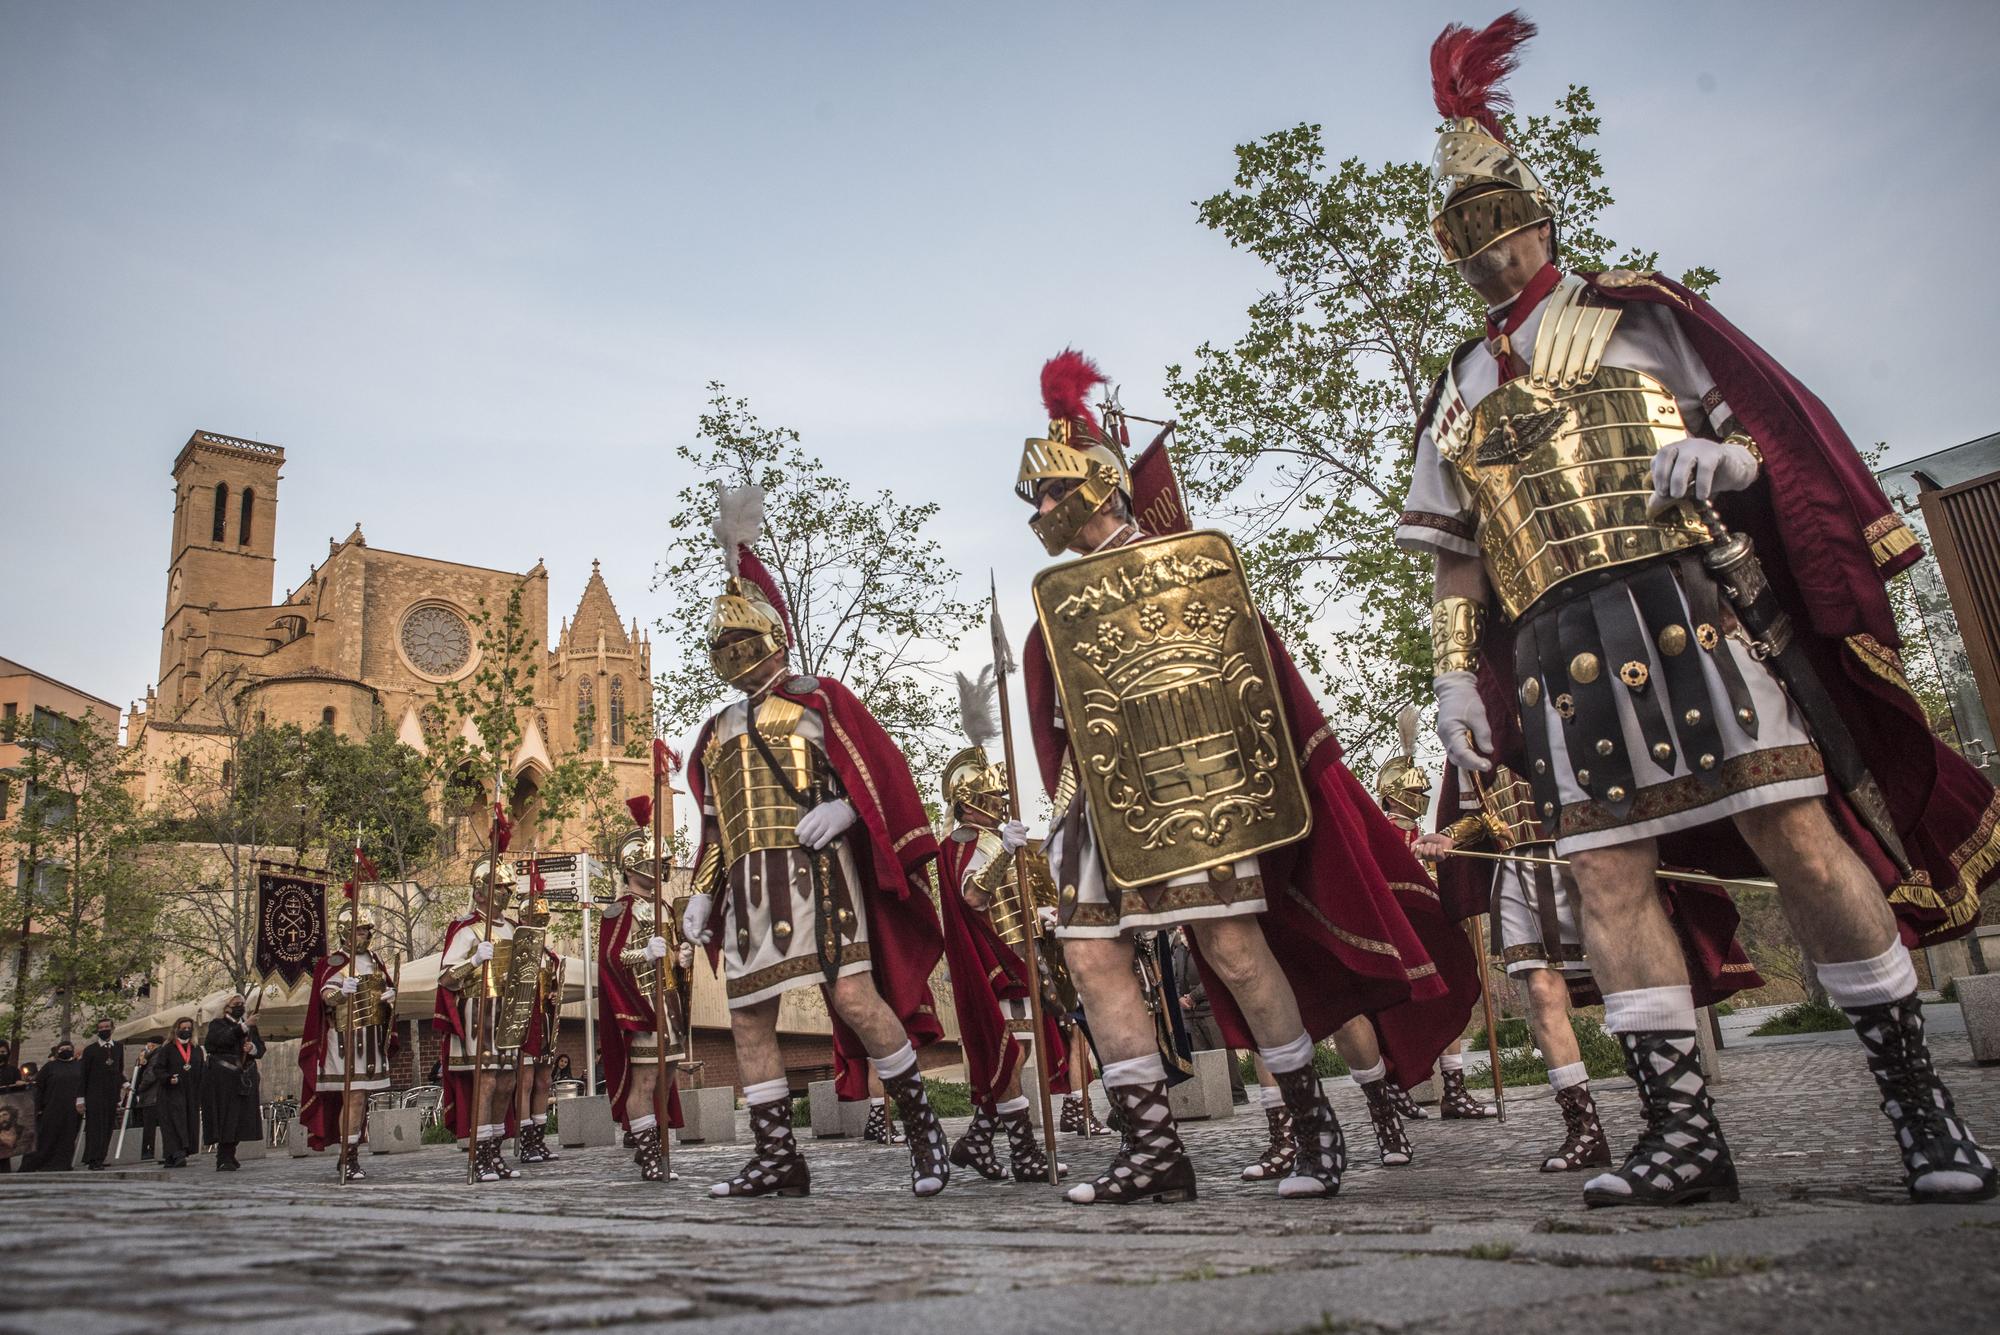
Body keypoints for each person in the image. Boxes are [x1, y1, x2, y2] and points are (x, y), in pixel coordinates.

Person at [1400, 13, 1996, 1206]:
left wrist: (1734, 470)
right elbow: (1456, 557)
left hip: (1686, 605)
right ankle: (1680, 1135)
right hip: (1556, 649)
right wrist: (1454, 672)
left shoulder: (1640, 316)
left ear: (1535, 216)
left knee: (1796, 833)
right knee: (1607, 875)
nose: (1480, 249)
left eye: (1494, 221)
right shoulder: (1454, 389)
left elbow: (1765, 439)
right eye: (1457, 231)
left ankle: (1916, 1114)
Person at [1015, 351, 1480, 1204]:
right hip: (1100, 813)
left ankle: (1314, 1128)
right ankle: (1156, 1150)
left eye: (1049, 490)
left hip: (1201, 793)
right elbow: (1065, 730)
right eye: (1032, 498)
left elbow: (1258, 679)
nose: (1038, 509)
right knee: (1089, 957)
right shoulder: (1055, 608)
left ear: (1101, 481)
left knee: (1234, 949)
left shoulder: (1189, 564)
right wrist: (1058, 824)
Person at [681, 484, 951, 1200]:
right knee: (746, 1020)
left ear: (772, 635)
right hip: (746, 885)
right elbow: (717, 824)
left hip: (816, 873)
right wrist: (700, 891)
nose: (735, 651)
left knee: (857, 999)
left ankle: (926, 1135)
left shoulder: (818, 698)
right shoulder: (714, 734)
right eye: (724, 642)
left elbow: (880, 777)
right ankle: (777, 1156)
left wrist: (849, 814)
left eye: (745, 638)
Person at [935, 671, 1069, 1183]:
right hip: (996, 961)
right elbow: (973, 896)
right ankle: (1024, 1148)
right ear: (970, 802)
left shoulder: (994, 838)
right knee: (1008, 1052)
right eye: (991, 800)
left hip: (1019, 956)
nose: (999, 804)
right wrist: (1003, 851)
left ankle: (976, 1139)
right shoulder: (978, 842)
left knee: (1018, 1050)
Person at [599, 825, 691, 1182]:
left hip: (668, 1005)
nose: (658, 869)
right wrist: (643, 952)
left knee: (666, 1078)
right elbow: (610, 958)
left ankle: (651, 1147)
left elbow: (668, 954)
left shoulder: (665, 908)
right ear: (634, 865)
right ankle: (652, 1153)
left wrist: (678, 957)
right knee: (646, 1079)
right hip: (641, 1005)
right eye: (652, 862)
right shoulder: (620, 910)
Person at [436, 861, 524, 1183]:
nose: (505, 892)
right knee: (486, 1084)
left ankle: (496, 1152)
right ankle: (480, 1157)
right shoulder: (467, 930)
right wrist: (473, 961)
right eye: (499, 887)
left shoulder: (514, 930)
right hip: (479, 1013)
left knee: (507, 1083)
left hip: (508, 1012)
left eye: (507, 887)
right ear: (481, 891)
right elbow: (445, 978)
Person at [299, 904, 397, 1180]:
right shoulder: (333, 962)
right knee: (352, 1097)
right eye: (360, 929)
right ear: (345, 931)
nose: (366, 933)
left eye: (367, 929)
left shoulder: (375, 960)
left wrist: (390, 997)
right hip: (343, 1041)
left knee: (361, 1098)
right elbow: (325, 997)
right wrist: (341, 991)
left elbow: (383, 990)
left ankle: (351, 1151)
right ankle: (347, 1156)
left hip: (370, 1038)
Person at [511, 882, 565, 1167]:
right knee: (527, 1081)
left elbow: (553, 985)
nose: (539, 924)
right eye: (534, 920)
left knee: (545, 1080)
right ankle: (525, 1137)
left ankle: (539, 1139)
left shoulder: (549, 955)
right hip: (524, 1023)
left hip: (544, 1021)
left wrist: (555, 994)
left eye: (542, 920)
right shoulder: (516, 950)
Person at [203, 996, 265, 1171]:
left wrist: (252, 1048)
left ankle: (231, 1152)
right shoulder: (218, 1024)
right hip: (224, 1079)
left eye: (242, 1005)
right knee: (226, 1117)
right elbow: (217, 1042)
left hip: (244, 1077)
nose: (240, 1008)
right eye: (236, 1005)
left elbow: (261, 1048)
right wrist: (243, 1027)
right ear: (226, 1008)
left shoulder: (250, 1026)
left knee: (240, 1118)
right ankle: (224, 1156)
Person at [22, 1041, 83, 1171]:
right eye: (62, 1048)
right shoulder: (50, 1067)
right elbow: (39, 1087)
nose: (65, 1050)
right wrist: (37, 1107)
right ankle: (41, 1164)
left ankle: (62, 1164)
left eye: (68, 1048)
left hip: (72, 1110)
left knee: (67, 1137)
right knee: (47, 1136)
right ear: (57, 1051)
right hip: (52, 1107)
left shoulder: (79, 1066)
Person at [153, 1017, 204, 1168]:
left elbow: (201, 1069)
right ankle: (177, 1153)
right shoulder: (167, 1048)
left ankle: (173, 1155)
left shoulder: (196, 1049)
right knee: (173, 1123)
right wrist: (168, 1078)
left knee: (187, 1122)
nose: (186, 1031)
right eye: (183, 1028)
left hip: (190, 1093)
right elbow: (158, 1069)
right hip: (171, 1092)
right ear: (176, 1029)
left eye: (189, 1028)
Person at [77, 1019, 126, 1170]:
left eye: (106, 1027)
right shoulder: (90, 1050)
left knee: (107, 1128)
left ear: (112, 1028)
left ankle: (101, 1156)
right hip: (94, 1095)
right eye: (101, 1028)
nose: (104, 1029)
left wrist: (124, 1085)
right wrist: (80, 1099)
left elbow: (119, 1070)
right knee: (95, 1128)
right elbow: (83, 1075)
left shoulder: (118, 1047)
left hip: (111, 1095)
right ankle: (93, 1158)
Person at [133, 1037, 163, 1161]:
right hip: (152, 1097)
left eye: (148, 1046)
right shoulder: (152, 1057)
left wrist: (138, 1088)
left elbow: (150, 1076)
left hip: (152, 1097)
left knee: (149, 1126)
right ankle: (149, 1150)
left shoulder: (156, 1057)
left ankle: (148, 1150)